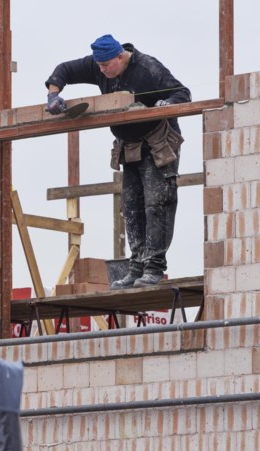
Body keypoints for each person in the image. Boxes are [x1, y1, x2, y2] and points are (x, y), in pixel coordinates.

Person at [45, 34, 191, 288]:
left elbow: (183, 92)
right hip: (130, 146)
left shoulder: (148, 69)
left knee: (157, 204)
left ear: (121, 57)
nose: (101, 71)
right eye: (98, 66)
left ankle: (154, 267)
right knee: (132, 207)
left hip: (157, 142)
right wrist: (53, 94)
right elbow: (64, 70)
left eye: (106, 65)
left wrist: (164, 104)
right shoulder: (100, 65)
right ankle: (136, 267)